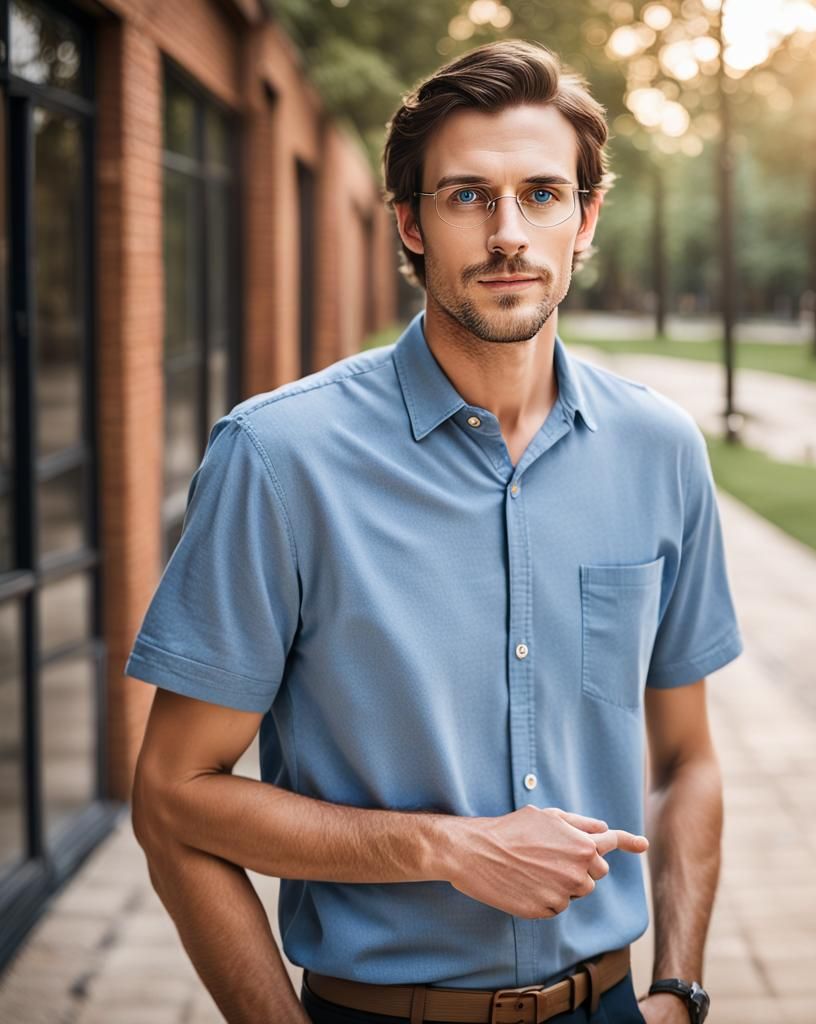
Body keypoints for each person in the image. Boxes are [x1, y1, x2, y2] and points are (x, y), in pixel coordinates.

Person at [127, 38, 742, 1024]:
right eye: (467, 196)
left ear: (584, 218)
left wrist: (678, 989)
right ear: (409, 223)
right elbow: (171, 799)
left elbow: (685, 761)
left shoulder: (660, 448)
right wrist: (446, 847)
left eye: (542, 194)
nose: (508, 233)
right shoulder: (280, 459)